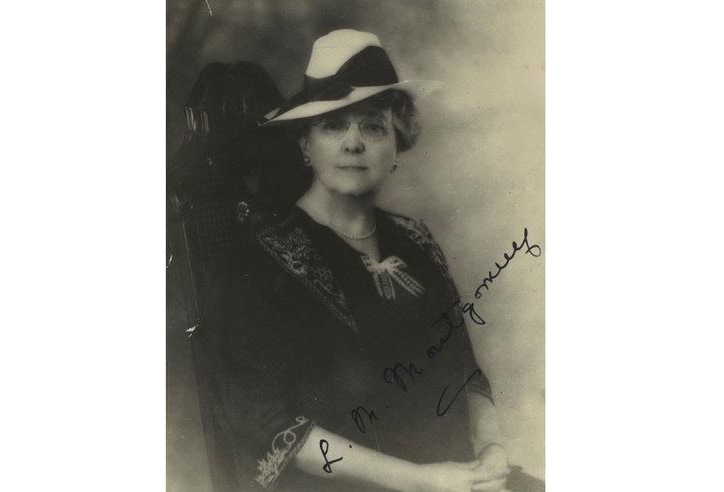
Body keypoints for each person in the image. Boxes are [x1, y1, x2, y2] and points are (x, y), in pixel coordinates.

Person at [197, 29, 514, 492]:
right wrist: (418, 481)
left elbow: (465, 370)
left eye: (372, 126)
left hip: (453, 481)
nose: (353, 143)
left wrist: (491, 449)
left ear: (397, 143)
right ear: (305, 144)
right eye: (333, 125)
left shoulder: (417, 240)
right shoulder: (258, 259)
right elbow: (266, 422)